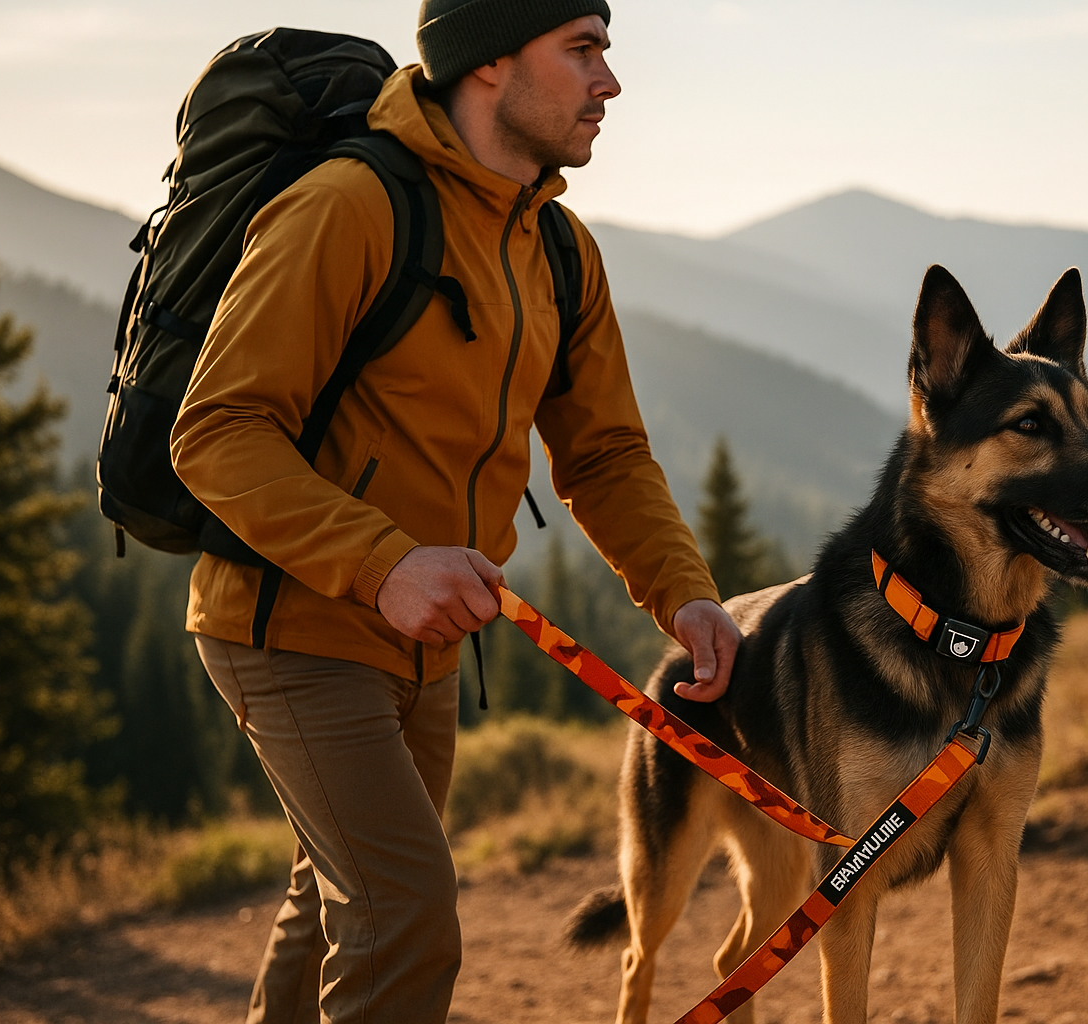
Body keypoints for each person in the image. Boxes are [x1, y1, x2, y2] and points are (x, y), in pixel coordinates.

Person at [169, 3, 741, 1021]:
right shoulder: (349, 207)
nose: (609, 83)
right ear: (489, 61)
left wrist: (686, 596)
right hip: (290, 624)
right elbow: (217, 429)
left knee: (341, 895)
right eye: (582, 50)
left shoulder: (558, 250)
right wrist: (385, 564)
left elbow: (605, 454)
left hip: (426, 641)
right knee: (404, 911)